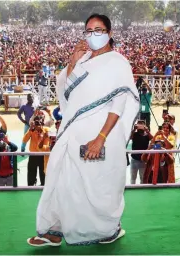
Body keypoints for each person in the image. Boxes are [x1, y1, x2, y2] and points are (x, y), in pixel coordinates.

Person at [27, 14, 139, 247]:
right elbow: (68, 93)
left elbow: (118, 104)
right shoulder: (84, 58)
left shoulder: (118, 63)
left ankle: (108, 230)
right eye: (88, 30)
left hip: (101, 135)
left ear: (109, 32)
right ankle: (53, 230)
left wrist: (100, 138)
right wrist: (72, 63)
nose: (93, 35)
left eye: (98, 30)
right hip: (73, 131)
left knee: (97, 186)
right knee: (61, 180)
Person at [23, 118, 48, 186]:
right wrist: (30, 130)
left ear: (42, 124)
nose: (37, 125)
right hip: (33, 155)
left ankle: (44, 185)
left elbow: (46, 145)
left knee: (43, 172)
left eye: (39, 123)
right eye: (36, 124)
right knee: (31, 172)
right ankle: (31, 185)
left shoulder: (46, 131)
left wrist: (41, 138)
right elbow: (24, 140)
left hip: (43, 155)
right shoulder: (32, 130)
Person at [129, 120, 153, 184]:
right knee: (133, 177)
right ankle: (132, 190)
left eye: (141, 125)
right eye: (138, 125)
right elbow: (130, 137)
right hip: (134, 159)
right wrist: (134, 130)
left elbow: (153, 139)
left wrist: (147, 131)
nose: (140, 127)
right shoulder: (135, 134)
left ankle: (142, 191)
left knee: (142, 178)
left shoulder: (147, 135)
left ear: (145, 126)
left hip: (143, 160)